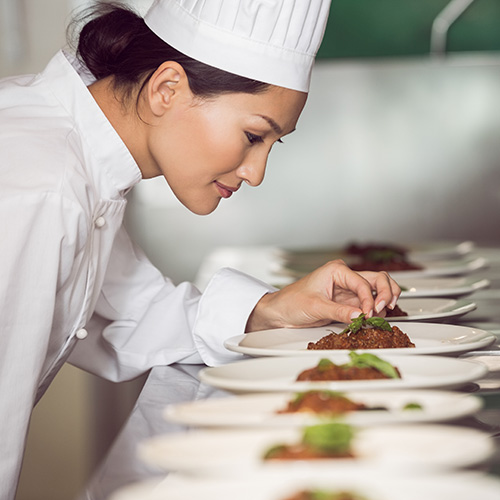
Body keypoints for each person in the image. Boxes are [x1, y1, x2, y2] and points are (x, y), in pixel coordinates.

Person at [0, 0, 400, 497]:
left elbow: (128, 312)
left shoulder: (81, 161)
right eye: (254, 136)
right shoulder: (39, 183)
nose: (256, 172)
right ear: (167, 89)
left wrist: (269, 310)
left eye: (273, 144)